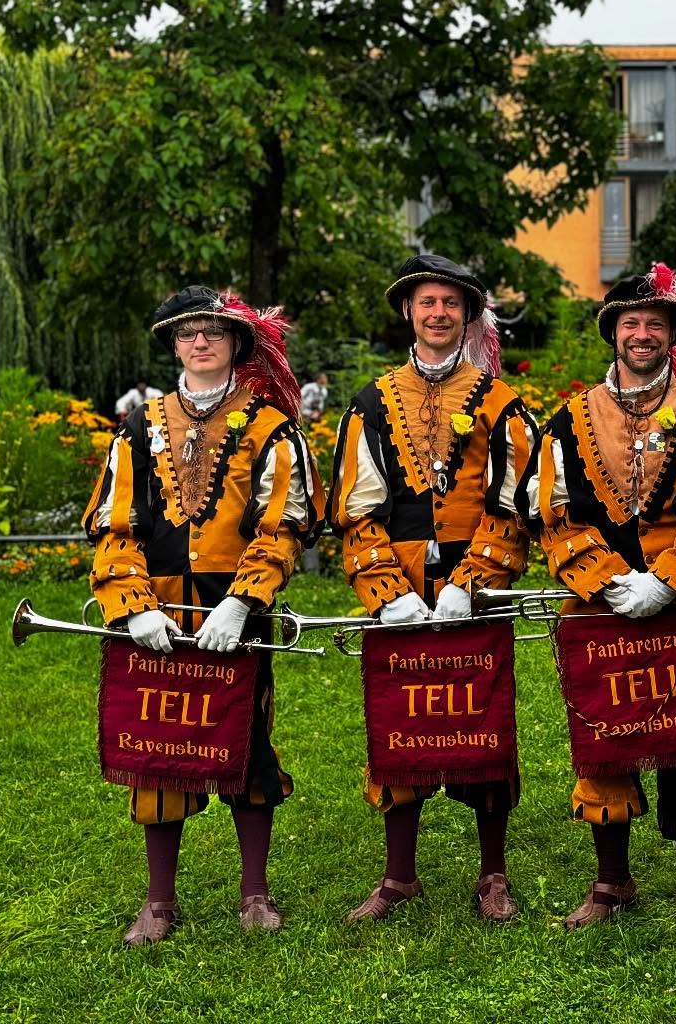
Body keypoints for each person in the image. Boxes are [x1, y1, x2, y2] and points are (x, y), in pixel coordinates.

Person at [517, 262, 676, 929]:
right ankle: (611, 882)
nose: (643, 334)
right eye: (631, 323)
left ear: (672, 334)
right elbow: (551, 511)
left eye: (656, 323)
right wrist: (606, 579)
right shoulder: (568, 419)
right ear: (614, 334)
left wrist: (668, 580)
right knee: (606, 738)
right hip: (597, 605)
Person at [82, 285, 321, 945]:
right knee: (157, 750)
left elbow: (285, 525)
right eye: (188, 332)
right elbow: (113, 525)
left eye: (213, 332)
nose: (201, 341)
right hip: (156, 612)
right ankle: (159, 903)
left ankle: (255, 893)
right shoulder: (137, 426)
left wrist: (243, 602)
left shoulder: (271, 426)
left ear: (237, 343)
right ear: (174, 344)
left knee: (247, 745)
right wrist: (133, 605)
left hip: (234, 610)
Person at [327, 254, 536, 924]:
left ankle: (493, 874)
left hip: (479, 589)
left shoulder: (503, 403)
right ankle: (398, 877)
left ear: (468, 315)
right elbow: (357, 508)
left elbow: (517, 504)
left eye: (452, 303)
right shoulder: (370, 401)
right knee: (403, 723)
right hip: (404, 588)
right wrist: (389, 590)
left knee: (485, 724)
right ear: (409, 314)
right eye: (427, 303)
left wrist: (473, 582)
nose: (439, 313)